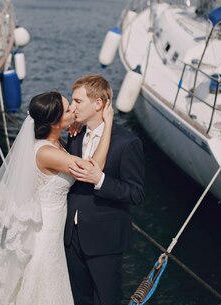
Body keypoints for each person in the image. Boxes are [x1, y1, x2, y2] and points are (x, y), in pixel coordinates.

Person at [0, 90, 113, 305]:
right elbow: (94, 168)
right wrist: (108, 124)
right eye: (68, 110)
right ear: (55, 122)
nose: (74, 110)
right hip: (44, 232)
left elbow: (65, 152)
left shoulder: (56, 144)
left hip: (53, 228)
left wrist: (73, 128)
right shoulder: (45, 153)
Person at [65, 74, 146, 305]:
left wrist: (100, 180)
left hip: (104, 239)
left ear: (98, 104)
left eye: (78, 101)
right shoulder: (74, 134)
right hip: (71, 235)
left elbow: (137, 193)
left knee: (106, 299)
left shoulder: (127, 142)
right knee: (78, 299)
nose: (72, 107)